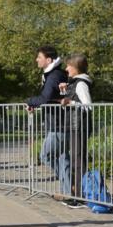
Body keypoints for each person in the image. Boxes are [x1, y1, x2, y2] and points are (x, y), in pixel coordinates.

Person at [25, 46, 70, 197]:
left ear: (49, 60)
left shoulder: (53, 76)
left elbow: (45, 98)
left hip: (59, 123)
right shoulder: (53, 74)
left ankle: (72, 186)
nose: (36, 60)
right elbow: (51, 97)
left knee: (46, 155)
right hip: (59, 122)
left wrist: (29, 101)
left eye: (39, 57)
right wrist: (35, 104)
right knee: (63, 157)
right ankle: (68, 192)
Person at [60, 54, 94, 208]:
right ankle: (77, 195)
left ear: (76, 68)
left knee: (78, 161)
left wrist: (71, 102)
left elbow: (88, 106)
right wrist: (64, 94)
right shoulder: (74, 83)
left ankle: (80, 197)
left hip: (79, 126)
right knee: (76, 160)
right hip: (74, 125)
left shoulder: (81, 84)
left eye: (69, 66)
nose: (66, 68)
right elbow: (68, 103)